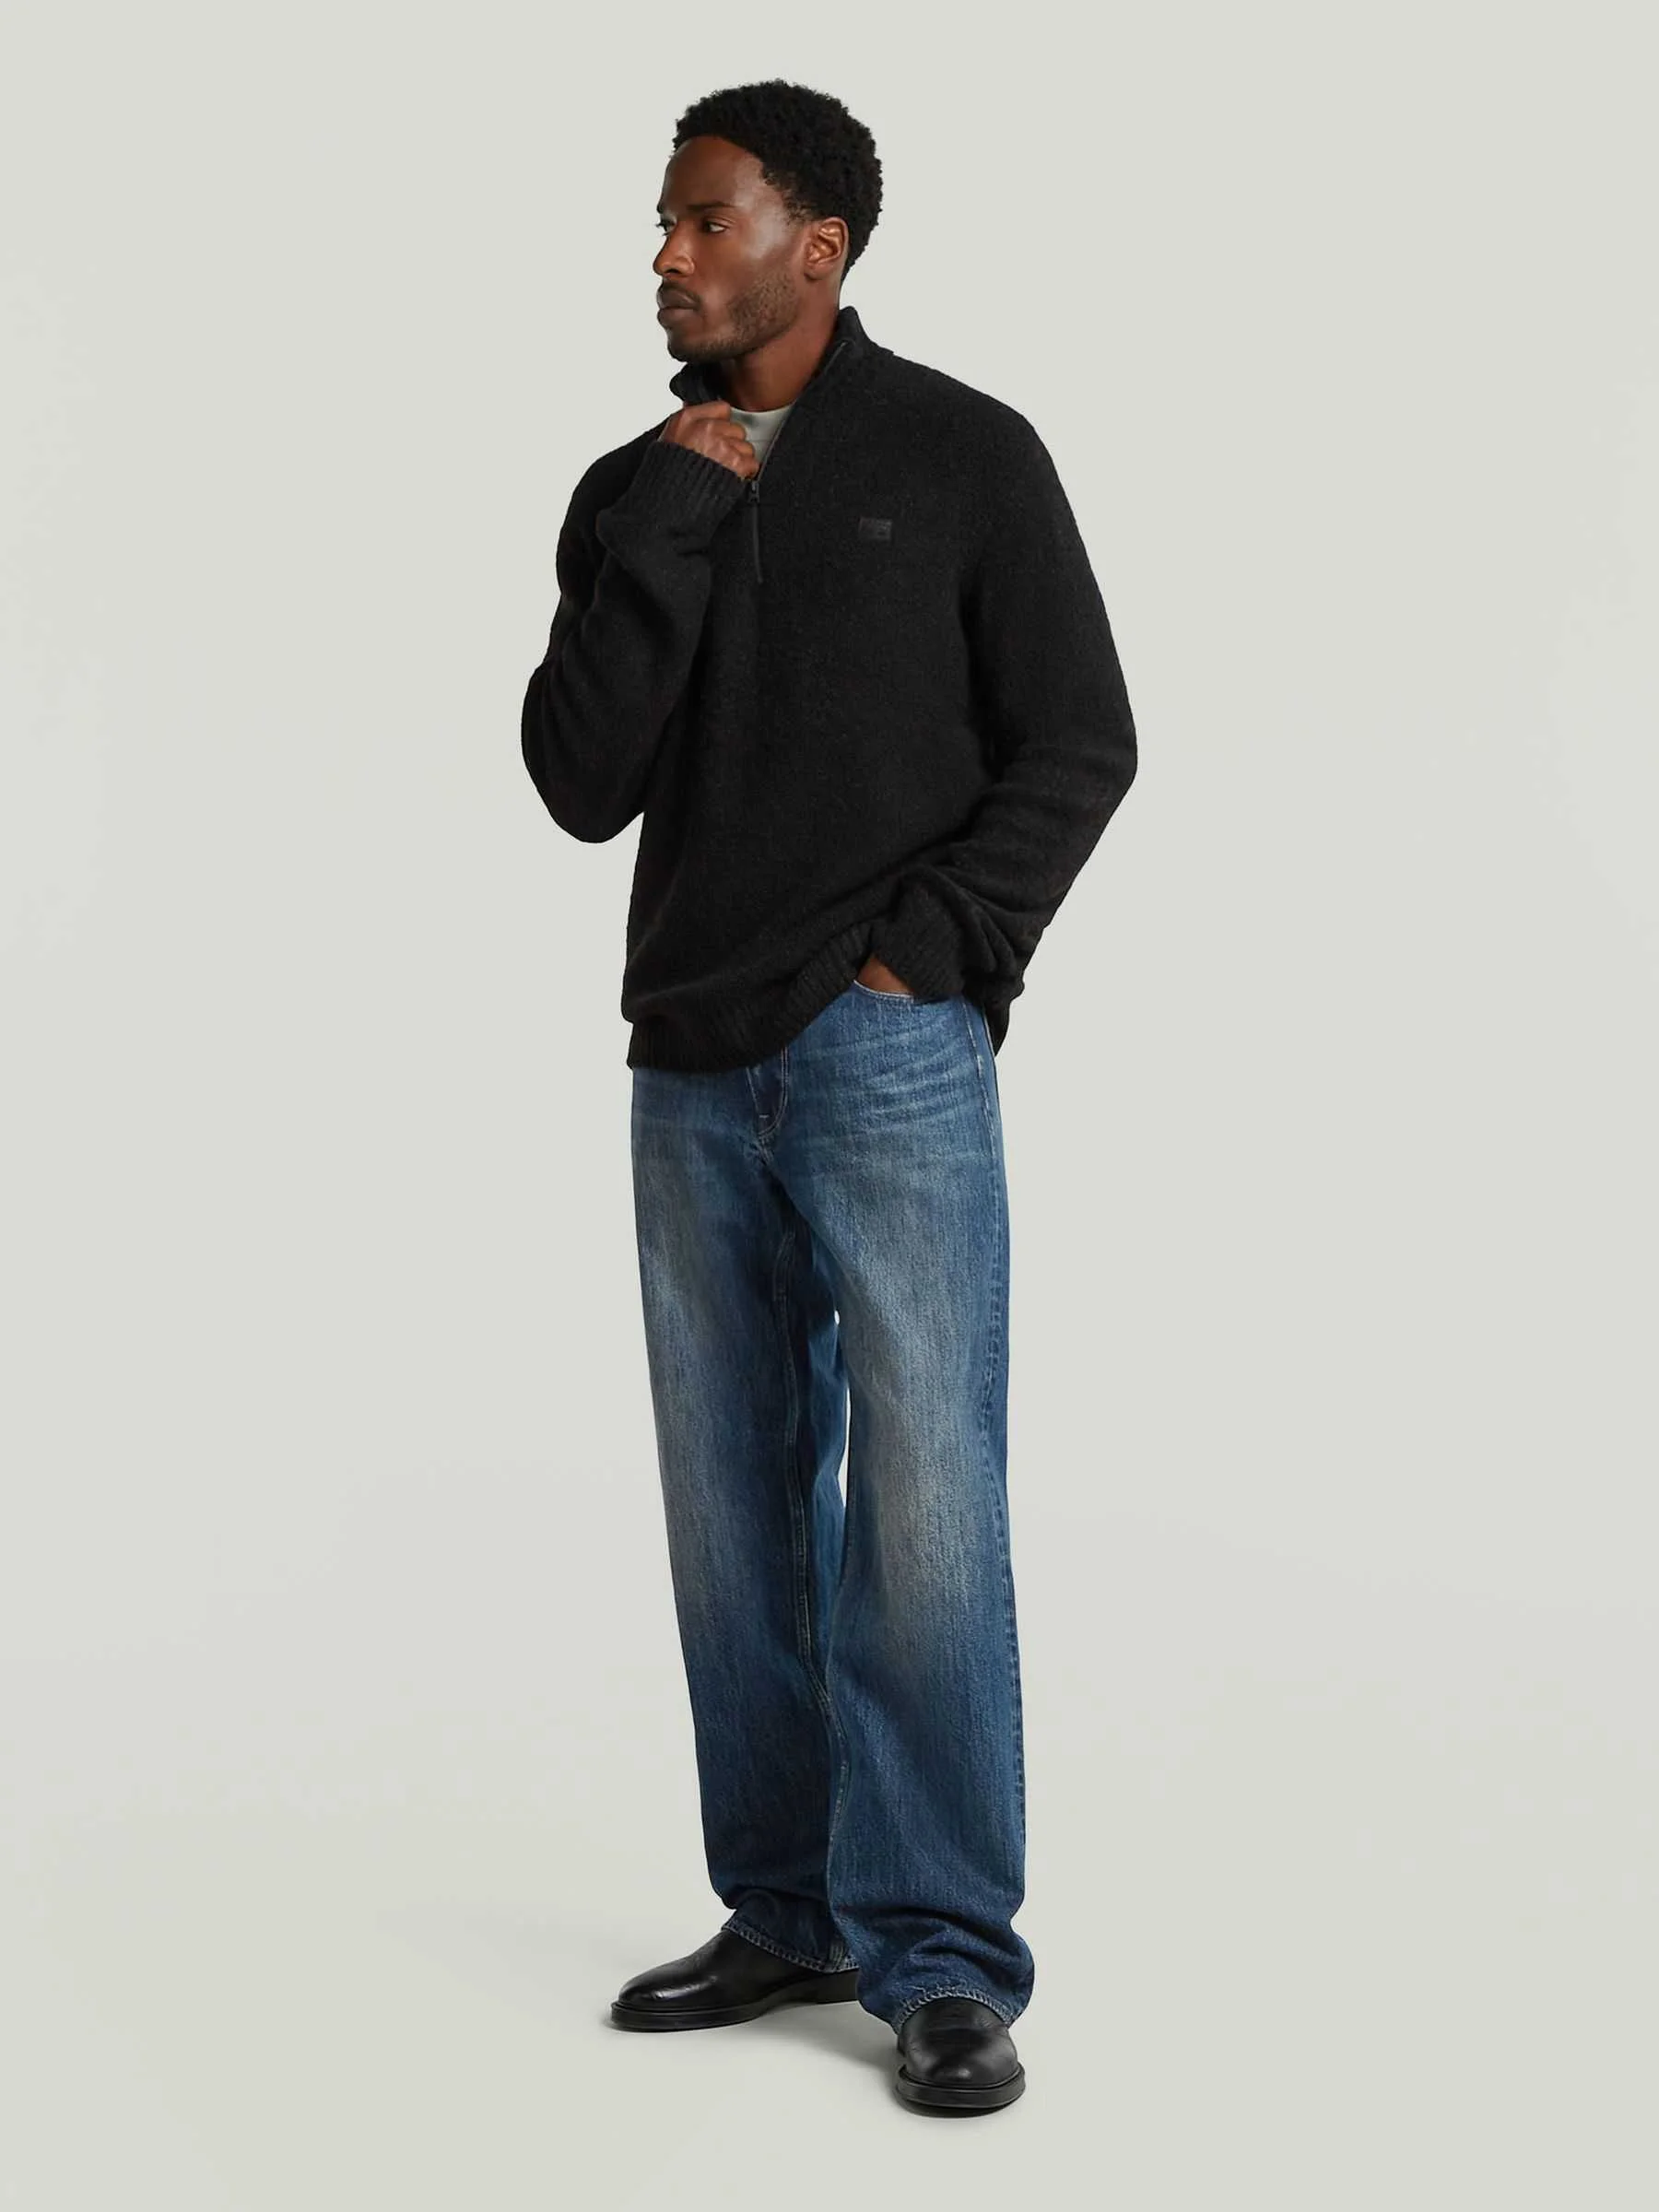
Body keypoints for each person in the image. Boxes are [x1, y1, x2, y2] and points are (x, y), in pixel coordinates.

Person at [520, 76, 1137, 2115]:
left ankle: (943, 1954)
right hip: (688, 1063)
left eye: (707, 219)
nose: (669, 256)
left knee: (926, 1504)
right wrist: (674, 525)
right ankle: (788, 1904)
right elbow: (579, 776)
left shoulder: (963, 454)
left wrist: (931, 953)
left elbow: (1081, 739)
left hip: (886, 1053)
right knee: (733, 1511)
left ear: (822, 242)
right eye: (667, 221)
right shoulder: (633, 488)